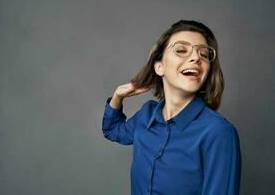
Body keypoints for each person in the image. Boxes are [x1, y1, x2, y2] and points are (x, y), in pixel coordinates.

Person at [101, 19, 241, 195]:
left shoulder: (218, 132)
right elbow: (112, 130)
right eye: (181, 50)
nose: (196, 57)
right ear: (159, 66)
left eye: (204, 54)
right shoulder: (146, 115)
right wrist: (118, 96)